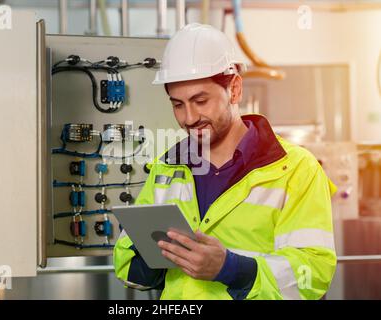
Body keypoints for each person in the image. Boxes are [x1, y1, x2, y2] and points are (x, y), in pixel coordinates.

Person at [114, 23, 337, 300]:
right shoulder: (167, 167)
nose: (189, 118)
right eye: (178, 104)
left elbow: (313, 273)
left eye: (200, 100)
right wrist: (148, 263)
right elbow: (125, 255)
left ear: (234, 90)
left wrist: (230, 269)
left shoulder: (296, 170)